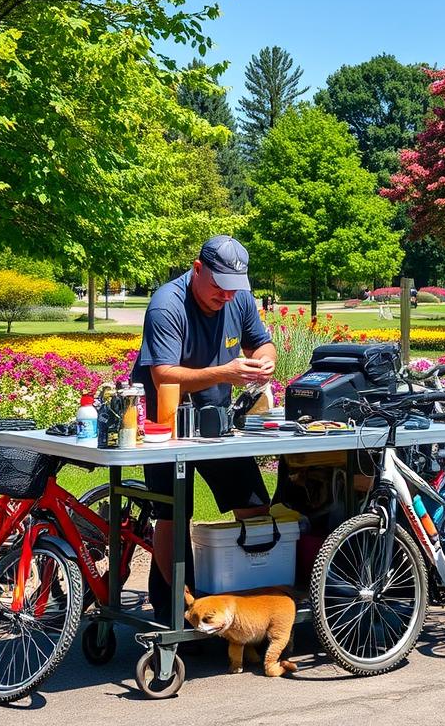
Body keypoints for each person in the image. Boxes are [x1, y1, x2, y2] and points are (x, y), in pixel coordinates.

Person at [131, 235, 277, 624]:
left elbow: (261, 343)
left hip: (216, 423)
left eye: (234, 289)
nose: (226, 296)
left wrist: (264, 361)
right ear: (198, 270)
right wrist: (226, 372)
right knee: (172, 514)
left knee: (254, 506)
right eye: (219, 287)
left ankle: (250, 604)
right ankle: (175, 608)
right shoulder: (167, 304)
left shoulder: (238, 298)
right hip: (166, 423)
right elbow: (163, 376)